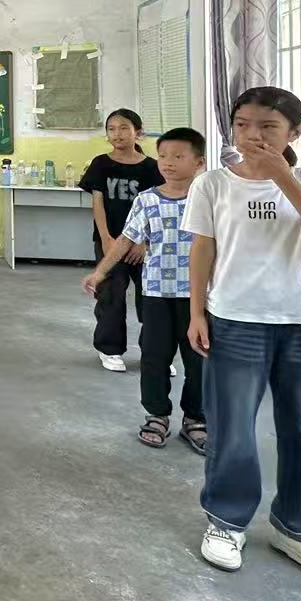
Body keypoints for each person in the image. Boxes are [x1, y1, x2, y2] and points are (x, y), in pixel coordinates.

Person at [185, 87, 301, 592]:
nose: (252, 135)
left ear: (294, 133)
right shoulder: (213, 184)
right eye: (242, 124)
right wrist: (196, 312)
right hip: (234, 318)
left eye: (268, 127)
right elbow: (203, 249)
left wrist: (283, 176)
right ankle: (226, 520)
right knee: (232, 425)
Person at [83, 127, 207, 450]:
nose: (168, 162)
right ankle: (157, 415)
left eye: (178, 156)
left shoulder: (209, 199)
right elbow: (126, 239)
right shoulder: (147, 200)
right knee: (154, 356)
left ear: (199, 162)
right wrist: (100, 272)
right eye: (163, 155)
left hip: (199, 296)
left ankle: (196, 419)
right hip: (156, 293)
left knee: (200, 360)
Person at [78, 108, 164, 372]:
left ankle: (156, 351)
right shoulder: (100, 164)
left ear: (138, 132)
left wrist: (143, 242)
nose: (117, 134)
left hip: (143, 245)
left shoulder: (152, 167)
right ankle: (109, 349)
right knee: (111, 294)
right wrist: (106, 238)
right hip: (111, 240)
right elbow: (98, 203)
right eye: (112, 129)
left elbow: (156, 207)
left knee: (151, 297)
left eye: (124, 128)